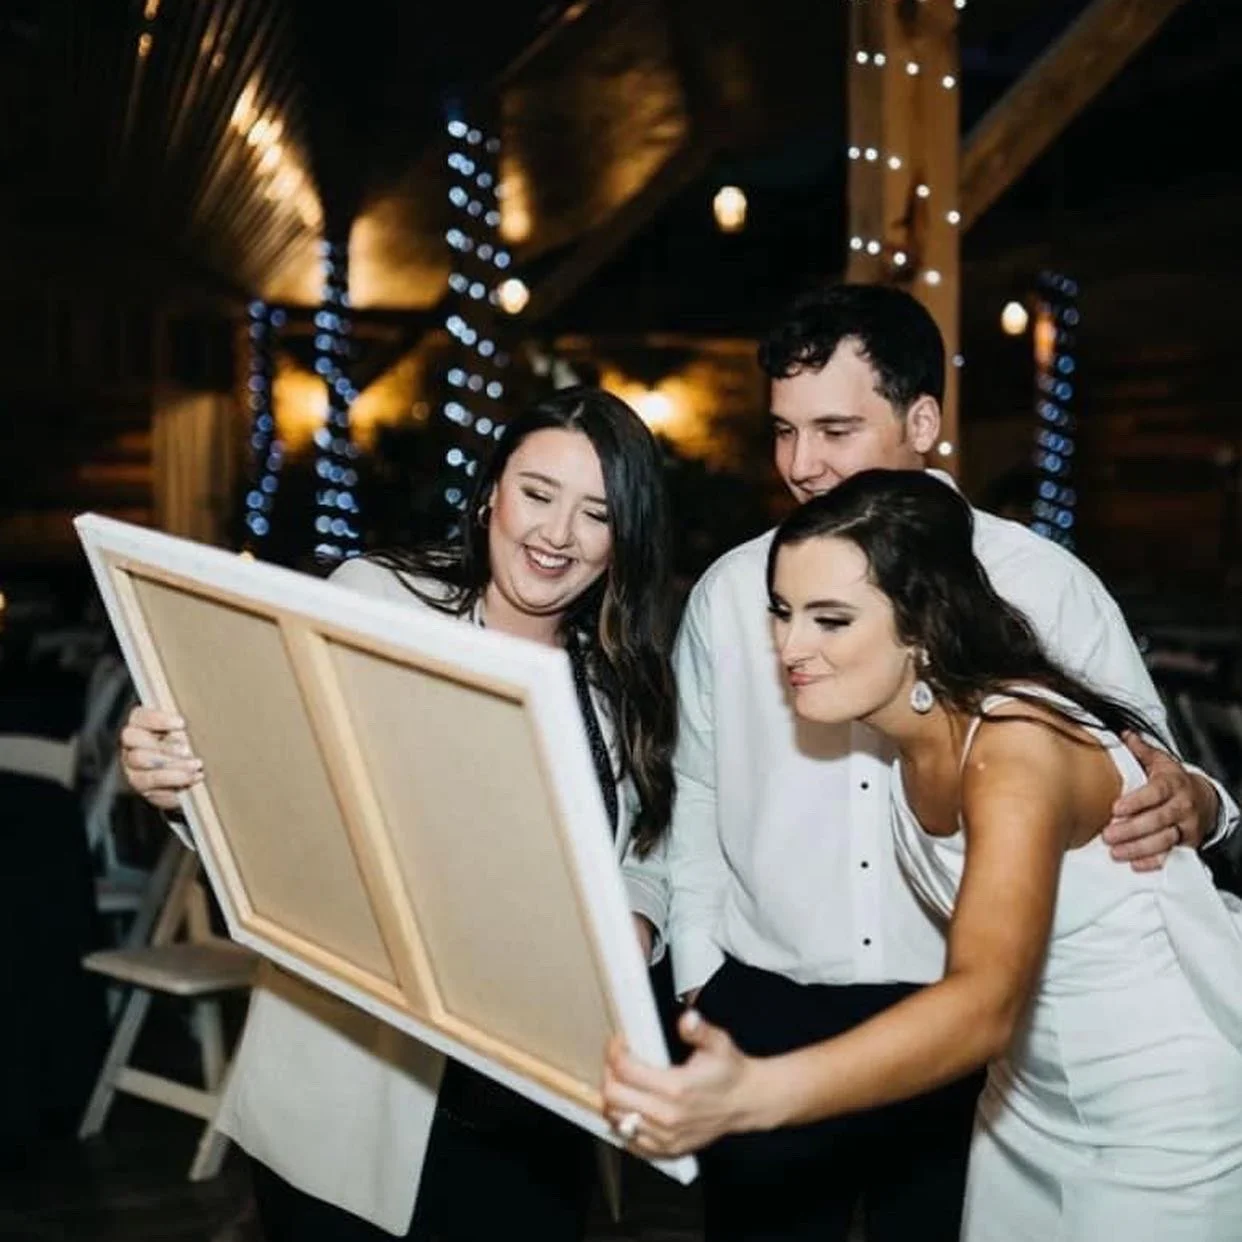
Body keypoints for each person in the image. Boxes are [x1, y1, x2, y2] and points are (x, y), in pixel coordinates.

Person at [662, 284, 1237, 1242]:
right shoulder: (744, 597)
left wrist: (1204, 799)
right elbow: (699, 789)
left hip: (1070, 1063)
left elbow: (1144, 774)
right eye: (783, 432)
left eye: (836, 429)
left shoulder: (1036, 621)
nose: (804, 465)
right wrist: (700, 976)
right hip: (974, 1070)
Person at [119, 386, 678, 1240]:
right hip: (355, 1082)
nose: (556, 534)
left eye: (596, 513)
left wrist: (636, 918)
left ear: (622, 539)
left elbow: (647, 848)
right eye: (537, 493)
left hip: (532, 1104)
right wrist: (174, 779)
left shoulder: (620, 680)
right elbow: (269, 785)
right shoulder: (378, 601)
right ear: (491, 489)